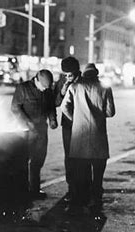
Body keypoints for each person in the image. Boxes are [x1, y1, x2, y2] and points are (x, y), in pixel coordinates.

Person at [61, 63, 115, 214]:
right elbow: (110, 112)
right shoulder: (105, 88)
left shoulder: (75, 87)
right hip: (98, 136)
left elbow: (64, 107)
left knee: (81, 172)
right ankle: (96, 200)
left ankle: (80, 201)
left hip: (79, 137)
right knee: (98, 173)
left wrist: (75, 119)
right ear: (96, 74)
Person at [11, 69, 58, 200]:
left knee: (38, 161)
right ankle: (21, 190)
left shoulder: (47, 90)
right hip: (26, 132)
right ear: (36, 80)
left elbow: (51, 107)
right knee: (23, 161)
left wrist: (53, 119)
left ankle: (35, 190)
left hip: (42, 131)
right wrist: (27, 123)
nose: (44, 90)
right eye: (42, 86)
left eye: (46, 88)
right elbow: (15, 108)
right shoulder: (23, 88)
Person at [54, 56, 81, 202]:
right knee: (69, 156)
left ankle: (82, 188)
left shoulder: (84, 81)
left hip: (83, 123)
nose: (68, 76)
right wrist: (63, 89)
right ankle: (71, 187)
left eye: (70, 73)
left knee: (82, 157)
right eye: (65, 73)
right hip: (68, 125)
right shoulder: (61, 82)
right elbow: (57, 102)